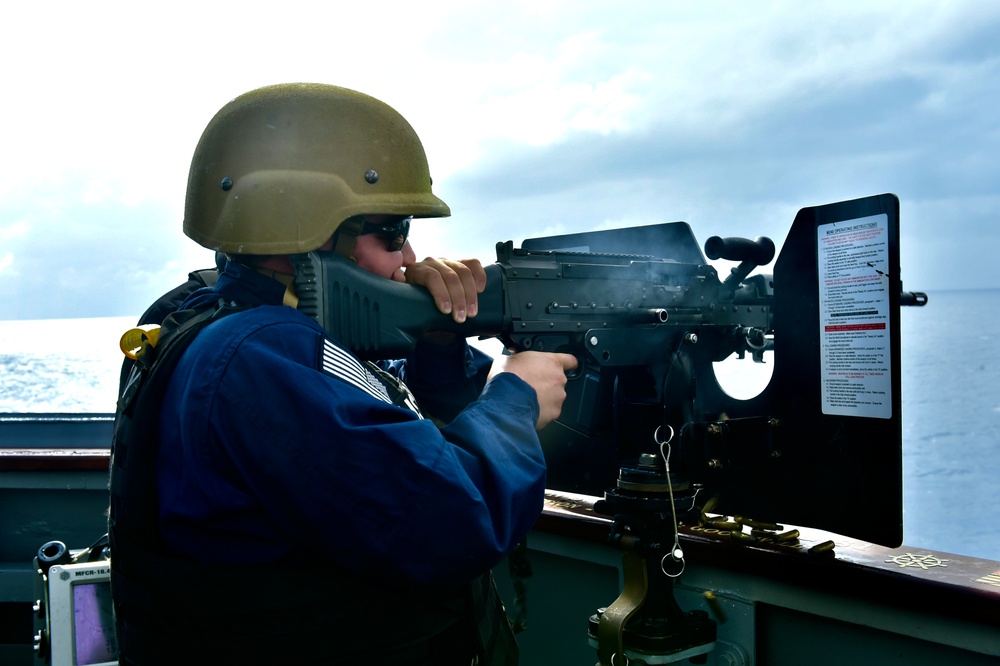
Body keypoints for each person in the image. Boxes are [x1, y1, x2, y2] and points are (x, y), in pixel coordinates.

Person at [108, 82, 577, 665]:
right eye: (395, 230)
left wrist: (434, 341)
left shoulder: (215, 319)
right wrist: (516, 399)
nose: (409, 258)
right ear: (311, 228)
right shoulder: (264, 357)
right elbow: (448, 525)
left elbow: (380, 428)